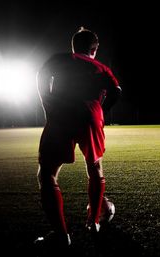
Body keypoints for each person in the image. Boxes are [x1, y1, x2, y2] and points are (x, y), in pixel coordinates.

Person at [34, 27, 121, 248]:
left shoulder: (60, 59)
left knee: (47, 175)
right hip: (91, 114)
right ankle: (93, 222)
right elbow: (116, 90)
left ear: (74, 46)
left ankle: (62, 236)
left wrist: (47, 103)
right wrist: (100, 110)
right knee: (95, 166)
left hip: (62, 112)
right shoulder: (100, 67)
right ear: (95, 48)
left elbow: (42, 75)